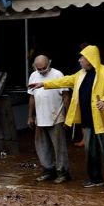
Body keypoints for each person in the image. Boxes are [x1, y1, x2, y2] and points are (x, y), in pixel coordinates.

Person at [30, 44, 104, 190]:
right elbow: (64, 81)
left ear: (90, 59)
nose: (80, 60)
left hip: (103, 121)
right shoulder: (81, 74)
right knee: (90, 152)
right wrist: (44, 84)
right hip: (88, 120)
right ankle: (95, 178)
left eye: (82, 58)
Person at [26, 55, 71, 183]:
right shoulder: (33, 75)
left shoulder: (58, 74)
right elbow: (31, 97)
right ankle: (48, 170)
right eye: (39, 68)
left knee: (59, 146)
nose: (41, 71)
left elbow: (66, 95)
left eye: (44, 68)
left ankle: (63, 172)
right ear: (35, 66)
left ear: (49, 63)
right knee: (42, 146)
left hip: (56, 116)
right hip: (40, 116)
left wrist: (67, 115)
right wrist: (30, 116)